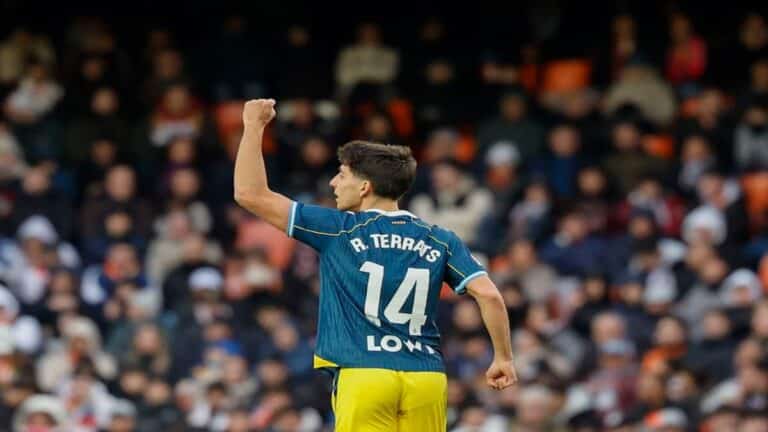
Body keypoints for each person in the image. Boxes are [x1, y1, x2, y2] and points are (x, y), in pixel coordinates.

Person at [233, 99, 517, 431]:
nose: (333, 184)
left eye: (341, 175)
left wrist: (253, 126)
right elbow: (490, 296)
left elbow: (250, 193)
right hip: (426, 377)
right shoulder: (441, 239)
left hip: (363, 374)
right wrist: (504, 358)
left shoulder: (338, 228)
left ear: (365, 186)